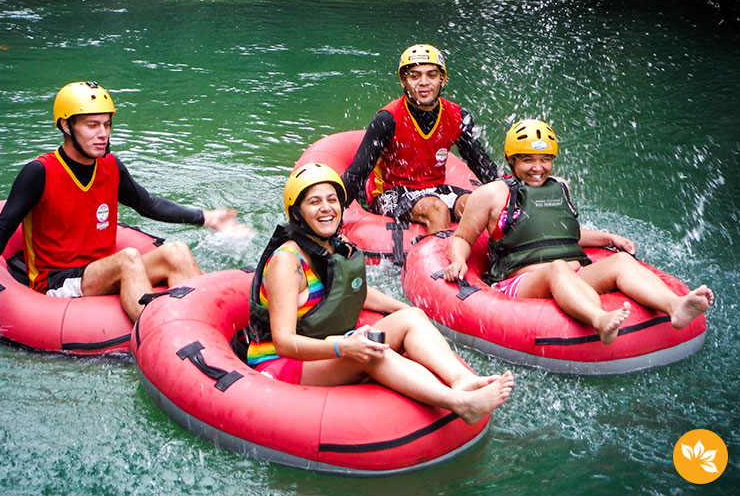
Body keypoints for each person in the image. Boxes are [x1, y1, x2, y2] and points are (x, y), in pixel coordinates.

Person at [241, 162, 513, 424]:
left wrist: (405, 312)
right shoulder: (286, 263)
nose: (326, 208)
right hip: (282, 362)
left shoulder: (333, 245)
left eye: (332, 200)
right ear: (297, 212)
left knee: (412, 317)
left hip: (326, 343)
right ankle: (460, 404)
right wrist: (343, 347)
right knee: (371, 352)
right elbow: (284, 342)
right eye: (314, 202)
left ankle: (459, 380)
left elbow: (351, 291)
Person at [0, 81, 243, 322]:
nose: (103, 134)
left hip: (105, 268)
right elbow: (2, 227)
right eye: (92, 125)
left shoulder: (111, 166)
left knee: (177, 251)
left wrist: (206, 217)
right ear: (66, 126)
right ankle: (161, 331)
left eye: (107, 124)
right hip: (57, 280)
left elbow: (148, 204)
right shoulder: (39, 172)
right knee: (128, 258)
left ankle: (214, 318)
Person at [444, 119, 714, 344]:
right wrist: (457, 261)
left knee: (620, 261)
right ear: (510, 160)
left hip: (574, 275)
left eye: (545, 159)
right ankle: (599, 320)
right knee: (557, 268)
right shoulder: (491, 194)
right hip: (520, 283)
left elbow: (562, 232)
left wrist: (608, 238)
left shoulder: (560, 186)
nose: (538, 168)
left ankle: (675, 306)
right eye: (527, 160)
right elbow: (463, 238)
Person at [341, 44, 499, 234]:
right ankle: (441, 262)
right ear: (403, 81)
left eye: (431, 75)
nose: (423, 82)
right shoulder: (387, 120)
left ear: (443, 79)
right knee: (436, 209)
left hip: (435, 189)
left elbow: (482, 165)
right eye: (414, 76)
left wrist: (509, 192)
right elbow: (356, 173)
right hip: (391, 194)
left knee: (474, 204)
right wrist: (335, 212)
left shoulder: (458, 117)